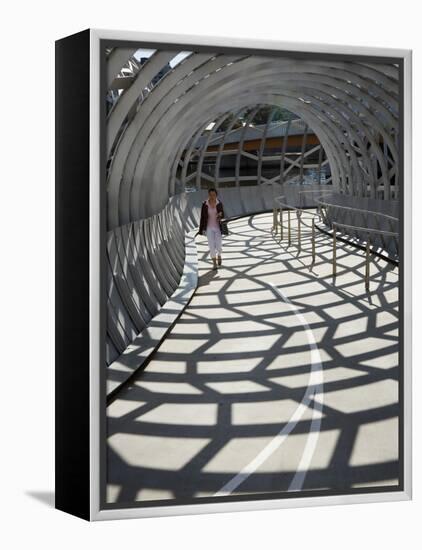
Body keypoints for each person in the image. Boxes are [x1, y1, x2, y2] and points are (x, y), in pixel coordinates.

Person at [198, 188, 225, 270]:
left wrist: (220, 215)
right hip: (209, 227)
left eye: (214, 195)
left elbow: (223, 214)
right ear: (208, 195)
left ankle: (219, 255)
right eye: (210, 195)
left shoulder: (219, 203)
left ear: (216, 195)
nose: (212, 196)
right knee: (211, 246)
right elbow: (202, 217)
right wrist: (201, 229)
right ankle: (214, 263)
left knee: (219, 245)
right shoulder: (205, 204)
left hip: (217, 228)